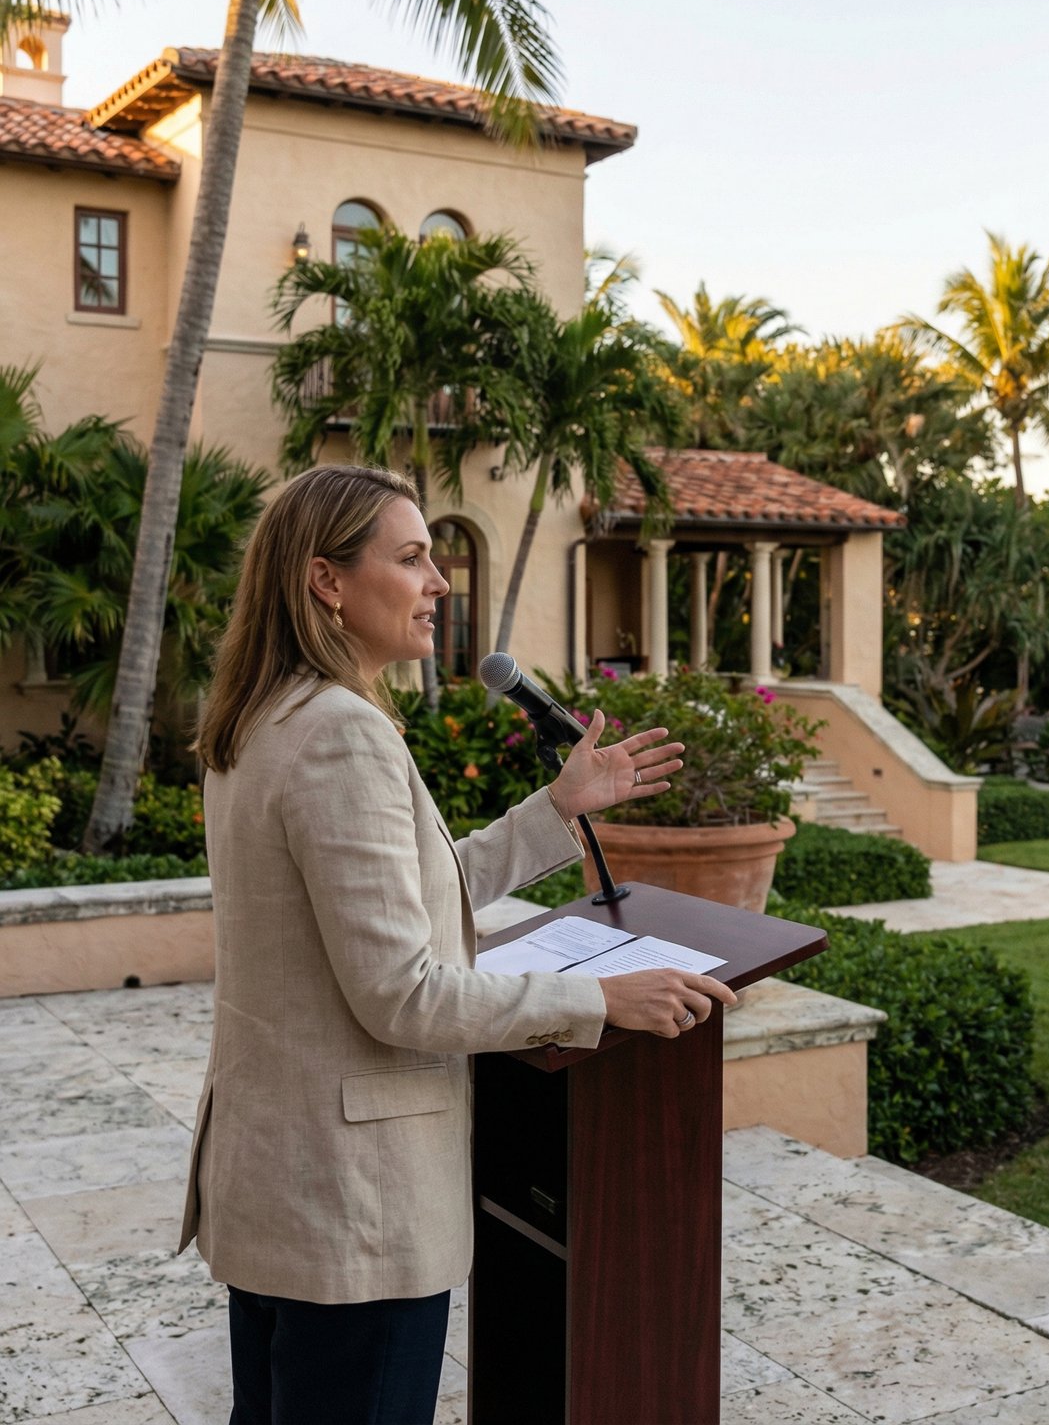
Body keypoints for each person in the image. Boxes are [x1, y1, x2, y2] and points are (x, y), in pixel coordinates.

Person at [183, 465, 739, 1424]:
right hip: (355, 1208)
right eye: (410, 558)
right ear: (327, 581)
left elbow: (404, 899)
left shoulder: (260, 720)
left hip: (283, 1182)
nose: (440, 581)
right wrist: (601, 1001)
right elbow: (402, 994)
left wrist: (557, 809)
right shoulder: (339, 735)